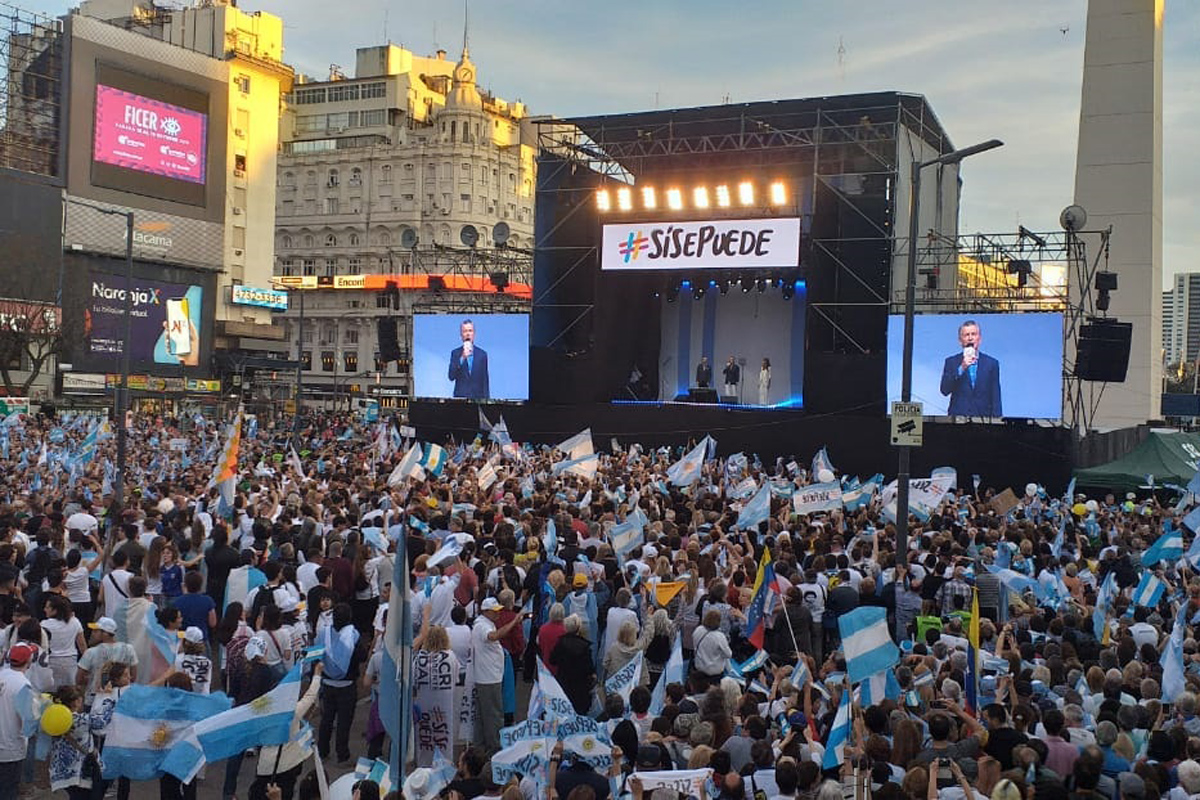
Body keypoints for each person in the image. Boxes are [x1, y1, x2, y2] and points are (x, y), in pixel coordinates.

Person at [939, 319, 1002, 416]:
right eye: (966, 335)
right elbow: (944, 390)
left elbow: (995, 396)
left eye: (973, 334)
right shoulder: (951, 362)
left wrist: (998, 422)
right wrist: (961, 368)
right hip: (958, 419)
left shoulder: (991, 363)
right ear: (960, 341)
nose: (970, 338)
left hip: (983, 420)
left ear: (979, 339)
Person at [0, 643, 37, 800]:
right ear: (28, 661)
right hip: (10, 748)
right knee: (8, 790)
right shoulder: (23, 685)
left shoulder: (2, 675)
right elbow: (28, 723)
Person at [448, 318, 490, 399]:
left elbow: (485, 381)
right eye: (465, 331)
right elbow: (451, 376)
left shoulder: (482, 354)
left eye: (470, 331)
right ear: (461, 335)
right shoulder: (455, 353)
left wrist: (487, 401)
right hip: (460, 399)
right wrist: (462, 358)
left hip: (478, 399)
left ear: (474, 334)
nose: (468, 334)